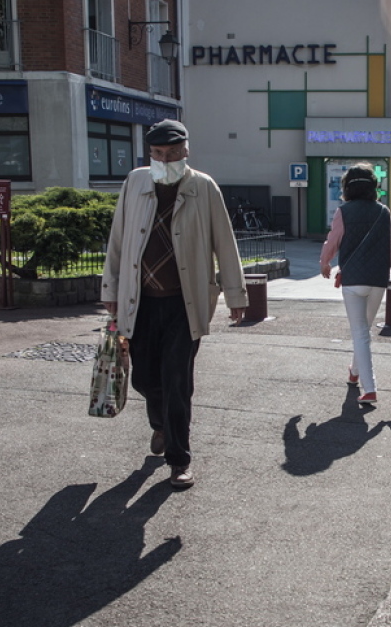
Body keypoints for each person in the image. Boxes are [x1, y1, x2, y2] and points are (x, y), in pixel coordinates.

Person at [101, 119, 247, 489]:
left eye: (172, 153)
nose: (165, 160)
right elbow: (118, 239)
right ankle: (160, 425)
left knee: (176, 381)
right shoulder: (135, 182)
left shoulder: (203, 187)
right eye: (158, 154)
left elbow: (225, 244)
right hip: (141, 302)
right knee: (146, 378)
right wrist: (111, 290)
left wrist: (235, 295)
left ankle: (179, 460)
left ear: (186, 151)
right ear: (149, 153)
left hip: (185, 303)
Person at [319, 162, 391, 407]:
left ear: (347, 187)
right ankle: (354, 372)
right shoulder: (383, 212)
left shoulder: (343, 212)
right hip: (378, 280)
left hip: (353, 280)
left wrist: (325, 262)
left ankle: (370, 388)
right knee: (363, 331)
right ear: (373, 187)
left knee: (360, 332)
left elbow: (332, 241)